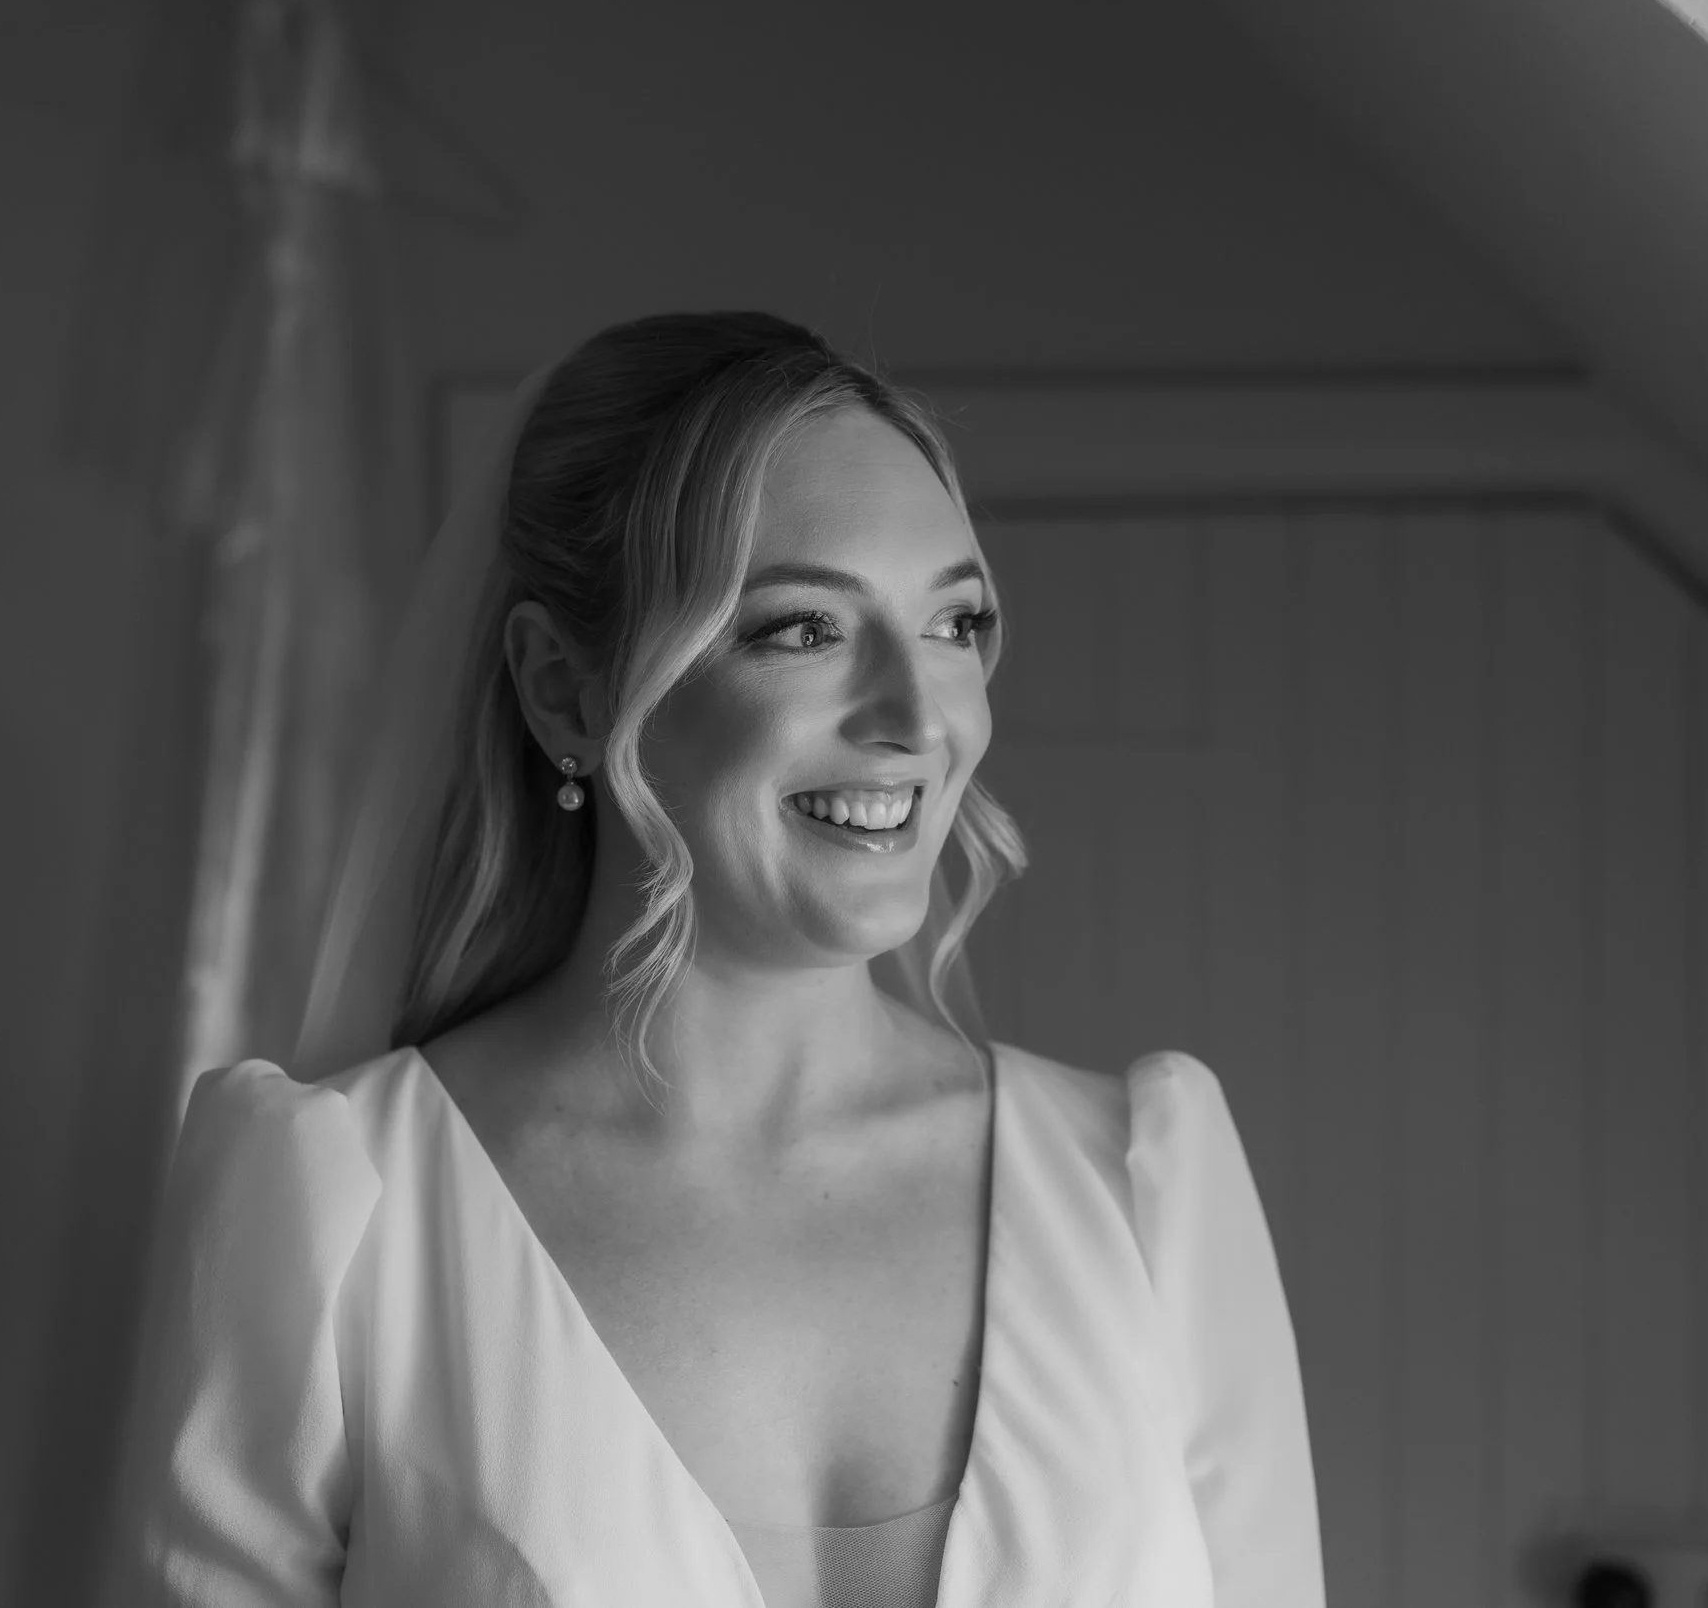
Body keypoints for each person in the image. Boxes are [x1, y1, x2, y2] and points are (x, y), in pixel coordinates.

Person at [114, 312, 1323, 1607]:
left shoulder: (1144, 1188)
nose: (921, 721)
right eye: (803, 628)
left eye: (957, 623)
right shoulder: (337, 1207)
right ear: (564, 689)